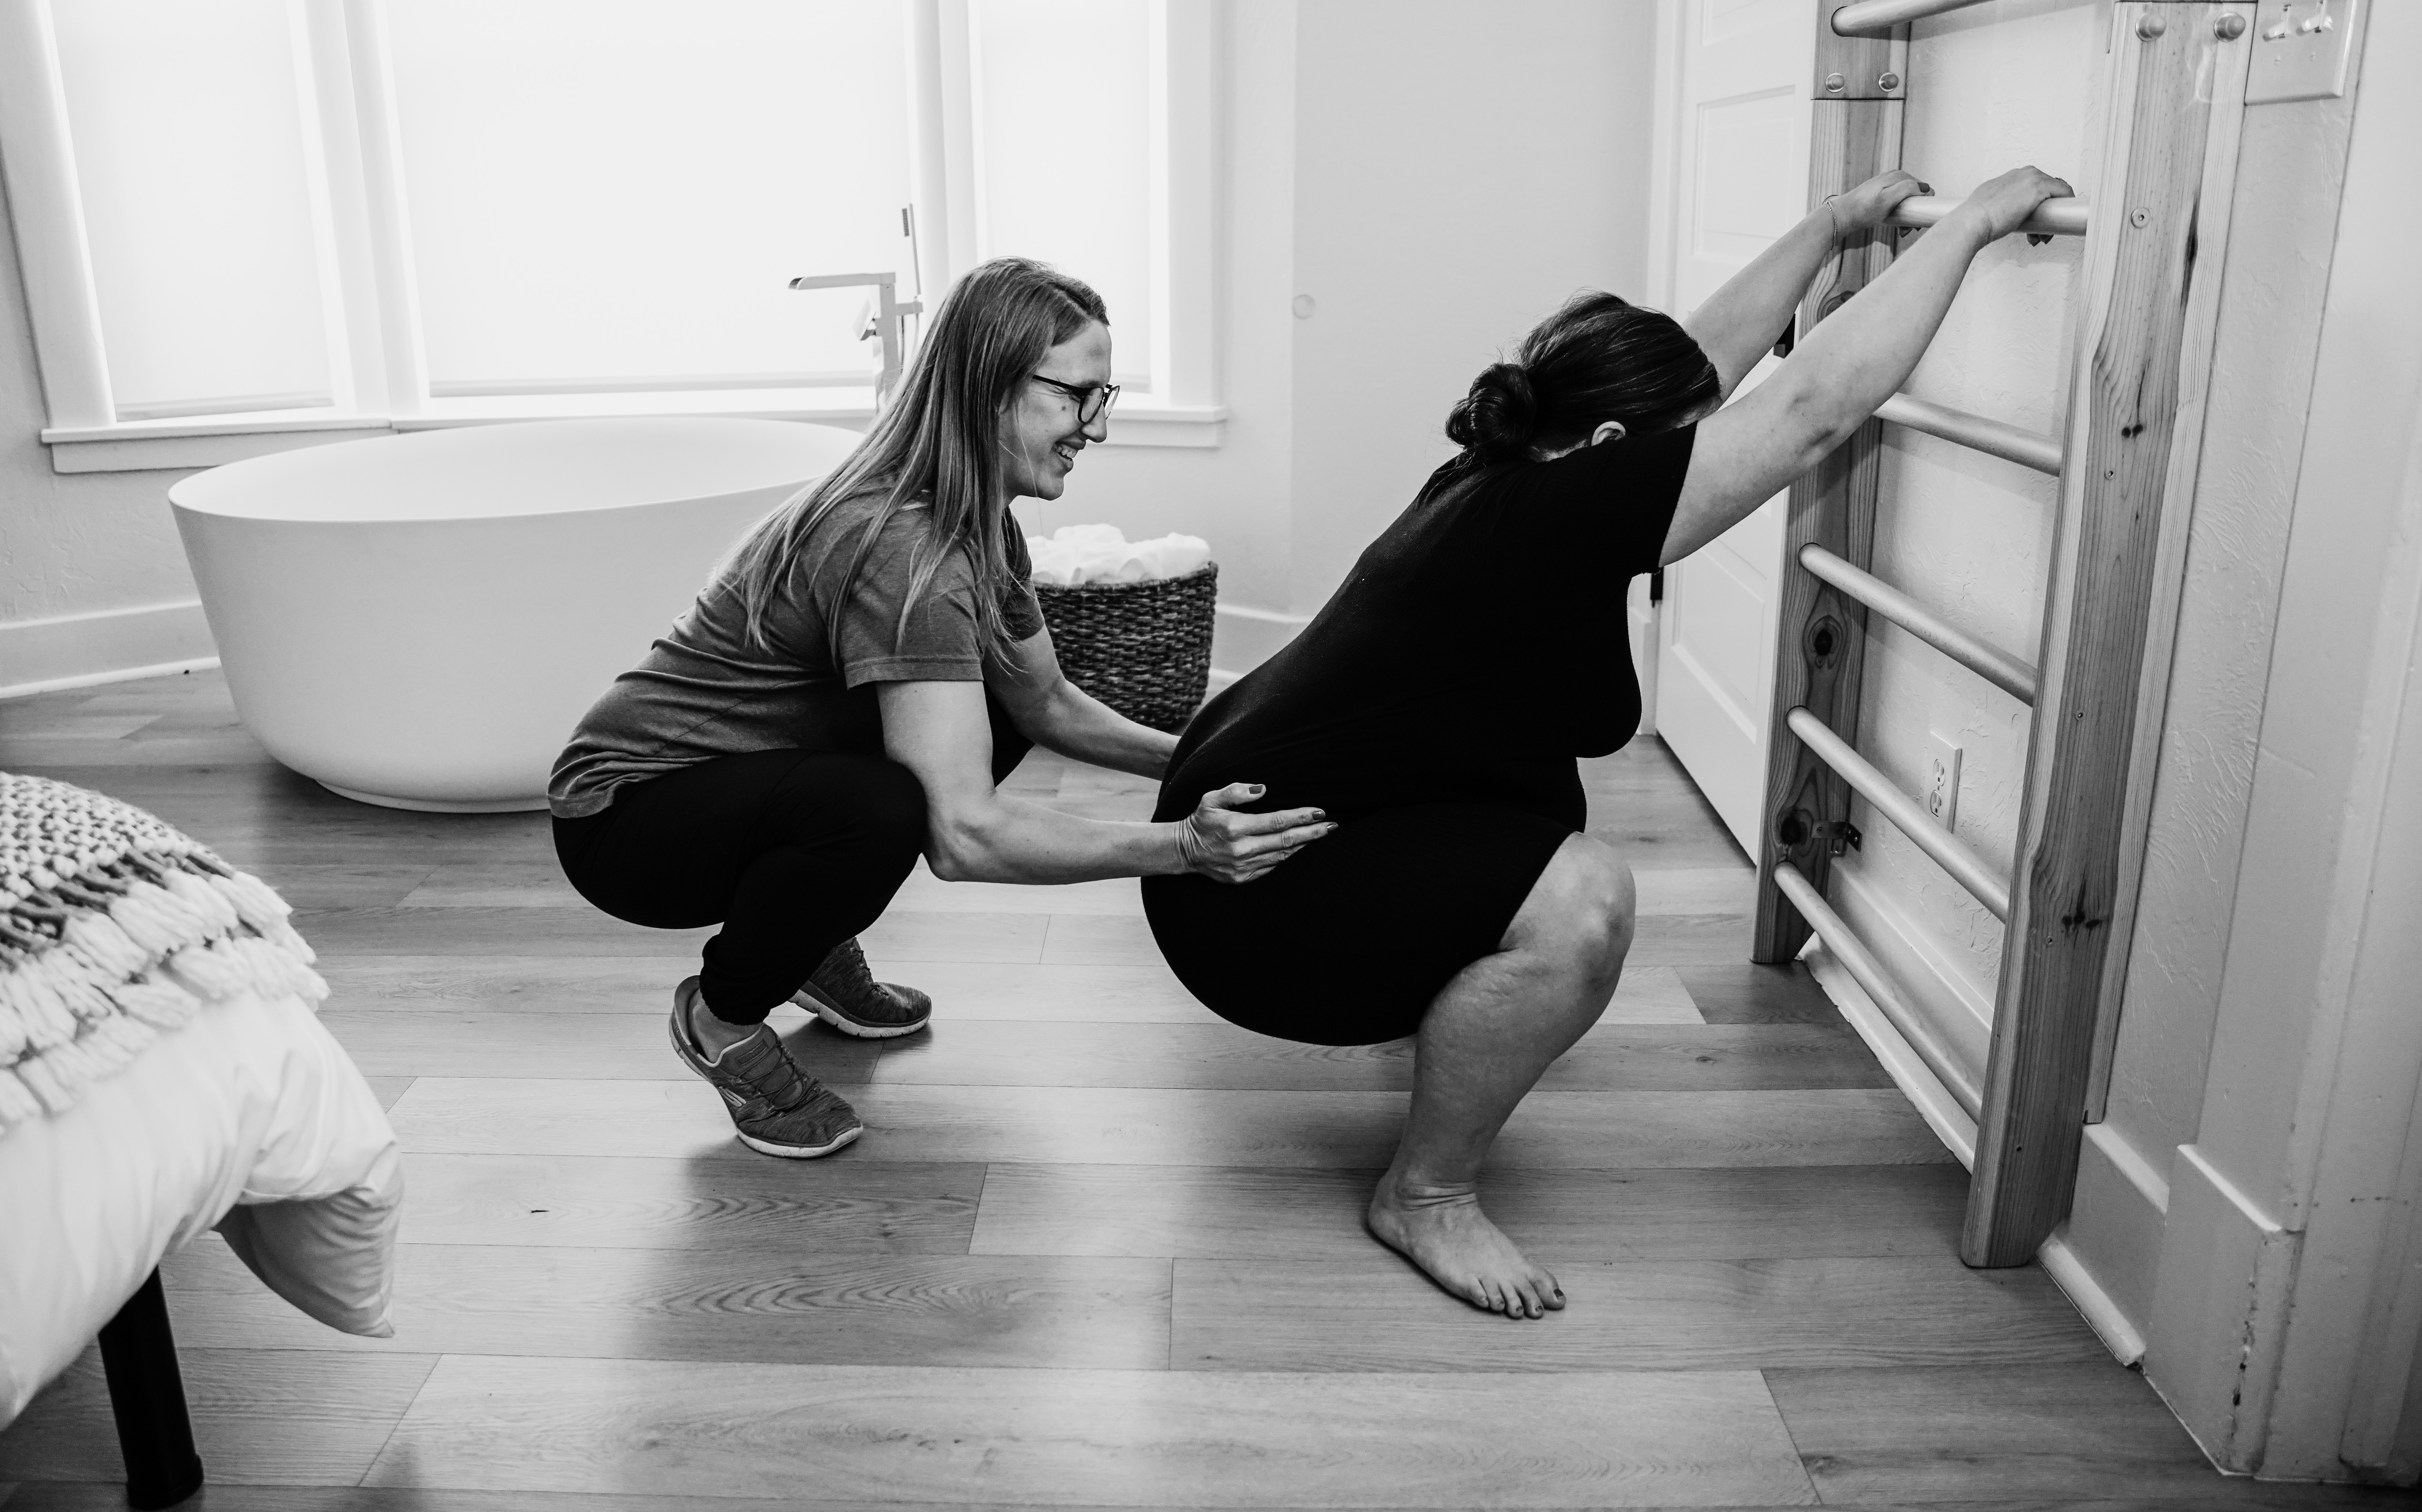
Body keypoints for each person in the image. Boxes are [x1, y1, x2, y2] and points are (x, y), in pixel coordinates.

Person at [1143, 164, 2074, 1317]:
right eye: (1669, 450)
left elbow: (1697, 364)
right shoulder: (1551, 516)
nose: (1688, 460)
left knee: (1542, 842)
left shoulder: (1526, 462)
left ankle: (1440, 1017)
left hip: (1271, 826)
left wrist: (1829, 230)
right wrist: (1976, 225)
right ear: (1617, 446)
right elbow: (1805, 415)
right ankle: (1425, 1195)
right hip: (1249, 898)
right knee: (1584, 905)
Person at [550, 257, 1331, 1159]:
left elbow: (1045, 702)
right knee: (877, 812)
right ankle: (723, 1018)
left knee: (982, 719)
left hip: (737, 778)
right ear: (991, 387)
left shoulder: (975, 521)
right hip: (629, 818)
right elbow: (963, 836)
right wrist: (1183, 850)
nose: (1098, 427)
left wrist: (1214, 758)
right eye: (1078, 397)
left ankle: (802, 939)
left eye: (1103, 395)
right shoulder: (905, 549)